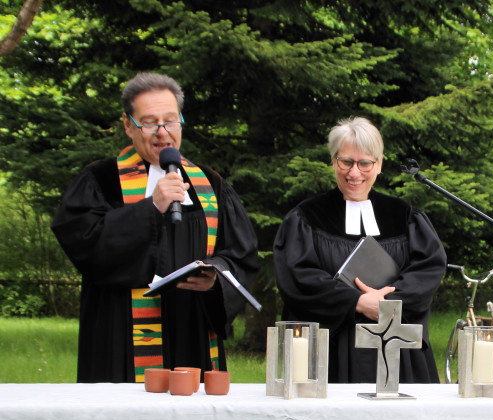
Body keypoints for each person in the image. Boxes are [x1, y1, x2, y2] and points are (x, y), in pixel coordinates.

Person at [51, 72, 259, 383]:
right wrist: (151, 207)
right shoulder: (101, 180)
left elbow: (241, 254)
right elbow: (84, 242)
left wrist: (215, 279)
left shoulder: (211, 184)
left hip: (193, 333)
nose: (163, 133)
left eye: (171, 121)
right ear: (128, 125)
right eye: (149, 123)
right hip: (122, 337)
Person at [273, 117, 447, 383]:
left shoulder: (403, 216)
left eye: (365, 163)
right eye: (346, 162)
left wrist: (387, 303)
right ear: (333, 162)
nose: (354, 173)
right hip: (332, 353)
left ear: (379, 165)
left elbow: (428, 269)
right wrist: (355, 302)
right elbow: (298, 277)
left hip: (395, 345)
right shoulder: (306, 218)